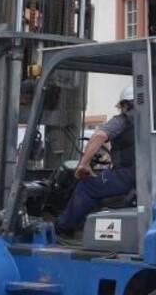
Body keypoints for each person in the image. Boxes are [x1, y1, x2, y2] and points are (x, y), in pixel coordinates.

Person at [56, 87, 136, 236]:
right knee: (102, 180)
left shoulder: (122, 120)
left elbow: (99, 135)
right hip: (147, 179)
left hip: (128, 176)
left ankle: (63, 227)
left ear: (125, 105)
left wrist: (84, 164)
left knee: (87, 186)